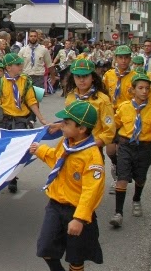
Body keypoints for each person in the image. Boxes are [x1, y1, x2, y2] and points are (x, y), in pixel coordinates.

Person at [30, 100, 104, 271]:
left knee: (76, 258)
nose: (61, 125)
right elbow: (57, 160)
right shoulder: (66, 143)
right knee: (45, 248)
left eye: (66, 123)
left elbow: (91, 191)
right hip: (55, 206)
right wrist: (40, 149)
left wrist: (79, 219)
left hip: (77, 211)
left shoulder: (91, 156)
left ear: (82, 129)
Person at [0, 53, 48, 193]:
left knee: (20, 151)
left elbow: (31, 101)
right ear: (9, 67)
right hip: (5, 120)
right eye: (18, 65)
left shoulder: (25, 81)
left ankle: (13, 176)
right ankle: (9, 177)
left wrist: (41, 119)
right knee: (6, 150)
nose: (21, 67)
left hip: (20, 121)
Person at [109, 74, 151, 228]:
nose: (144, 91)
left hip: (144, 147)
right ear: (132, 90)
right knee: (122, 177)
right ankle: (118, 213)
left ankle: (136, 199)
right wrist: (112, 141)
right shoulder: (124, 107)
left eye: (147, 88)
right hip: (126, 145)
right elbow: (114, 125)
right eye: (140, 88)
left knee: (140, 178)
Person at [102, 44, 136, 194]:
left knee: (122, 149)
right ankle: (116, 166)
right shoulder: (108, 75)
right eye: (120, 57)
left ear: (130, 59)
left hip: (127, 117)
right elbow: (103, 94)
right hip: (111, 116)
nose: (123, 61)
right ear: (115, 58)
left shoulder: (134, 77)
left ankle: (119, 178)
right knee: (110, 150)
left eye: (126, 57)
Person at [58, 59, 115, 148]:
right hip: (71, 146)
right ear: (73, 78)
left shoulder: (102, 100)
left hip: (93, 147)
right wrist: (58, 126)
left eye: (85, 76)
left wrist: (90, 145)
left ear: (93, 77)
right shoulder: (71, 97)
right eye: (78, 76)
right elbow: (70, 122)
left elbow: (109, 131)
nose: (81, 80)